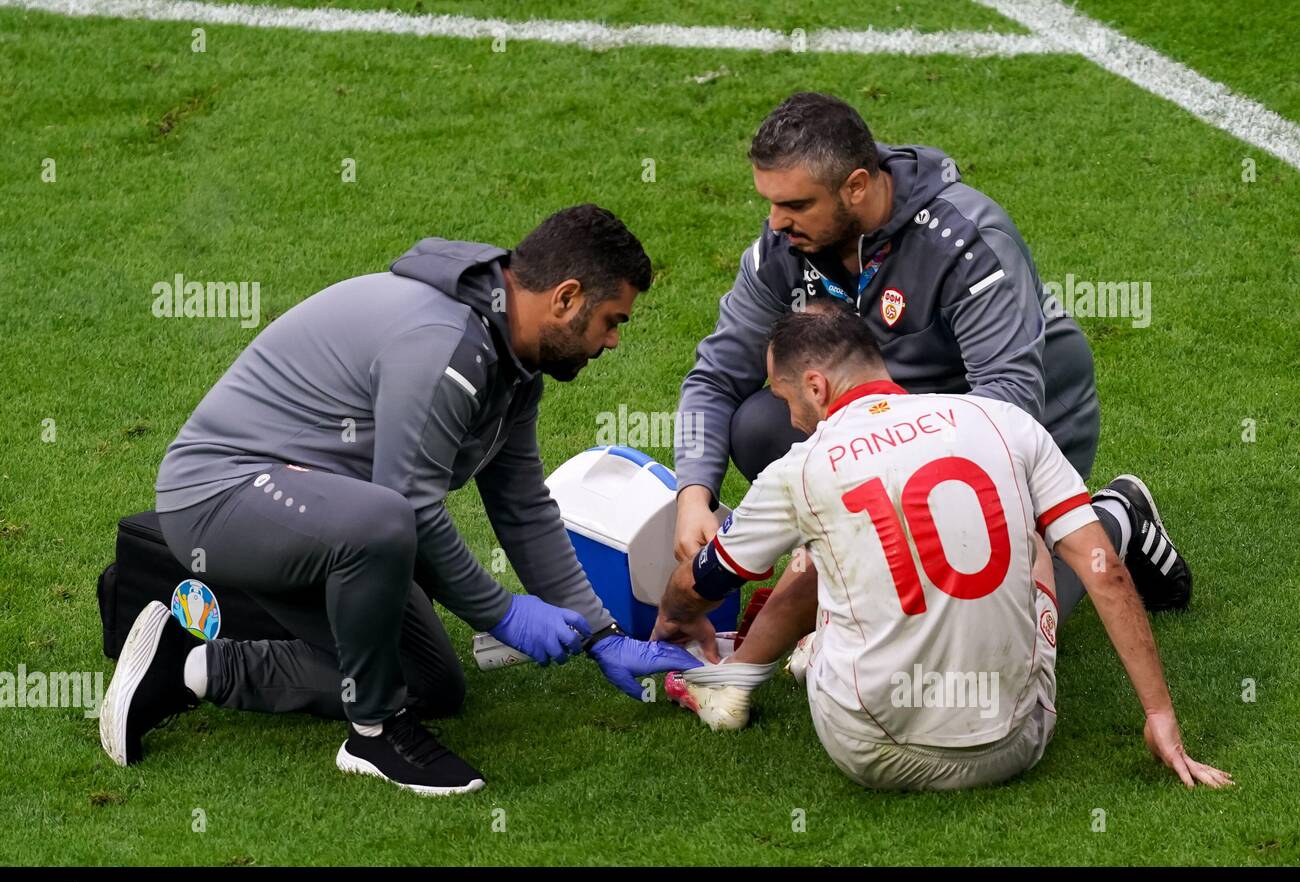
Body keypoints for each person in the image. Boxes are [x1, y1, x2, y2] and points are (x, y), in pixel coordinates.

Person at [99, 205, 700, 796]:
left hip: (320, 521)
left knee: (430, 682)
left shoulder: (514, 364)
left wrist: (601, 635)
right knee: (390, 519)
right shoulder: (446, 345)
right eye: (612, 320)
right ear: (566, 298)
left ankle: (184, 666)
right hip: (216, 497)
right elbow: (407, 504)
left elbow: (521, 505)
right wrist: (502, 614)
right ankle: (375, 736)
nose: (615, 341)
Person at [655, 306, 1230, 792]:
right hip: (1014, 745)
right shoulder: (1002, 420)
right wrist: (1158, 715)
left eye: (785, 398)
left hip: (866, 749)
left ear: (816, 386)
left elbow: (704, 581)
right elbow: (1103, 573)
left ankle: (764, 668)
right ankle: (1120, 514)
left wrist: (673, 615)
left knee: (823, 545)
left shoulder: (800, 468)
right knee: (1028, 534)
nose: (789, 416)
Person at [673, 91, 1189, 623]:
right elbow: (715, 377)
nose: (776, 222)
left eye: (796, 205)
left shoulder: (968, 240)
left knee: (995, 633)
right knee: (761, 425)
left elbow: (1010, 406)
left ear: (856, 186)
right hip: (890, 431)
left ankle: (1116, 516)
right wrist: (693, 494)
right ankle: (851, 559)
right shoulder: (784, 246)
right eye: (771, 202)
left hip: (1017, 432)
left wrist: (908, 496)